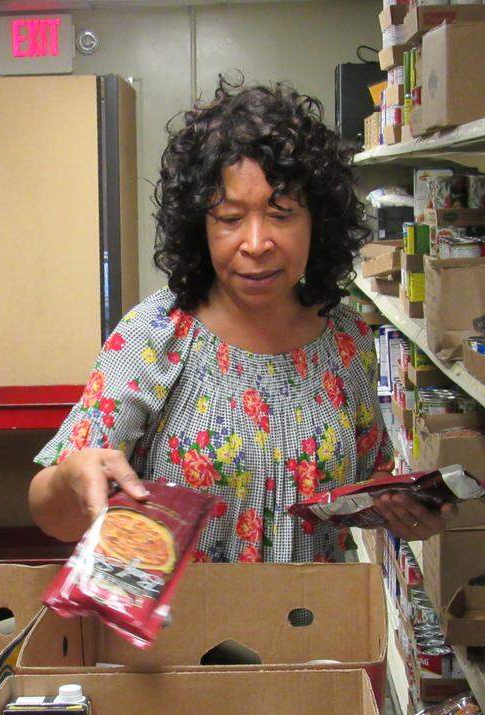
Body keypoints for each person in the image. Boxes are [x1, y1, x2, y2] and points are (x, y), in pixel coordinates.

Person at [30, 80, 452, 560]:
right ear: (200, 227)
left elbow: (367, 479)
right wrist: (69, 479)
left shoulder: (347, 339)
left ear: (318, 223)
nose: (255, 243)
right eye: (230, 218)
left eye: (282, 213)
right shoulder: (156, 335)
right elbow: (53, 516)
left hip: (308, 621)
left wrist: (401, 508)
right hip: (182, 628)